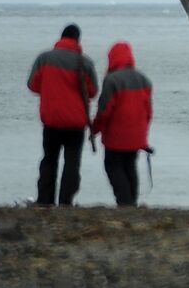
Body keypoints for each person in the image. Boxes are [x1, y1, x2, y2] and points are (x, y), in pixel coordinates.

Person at [27, 24, 98, 206]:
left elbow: (33, 85)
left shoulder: (44, 59)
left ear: (61, 37)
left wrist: (51, 89)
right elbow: (92, 91)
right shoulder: (85, 63)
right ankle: (66, 202)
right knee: (72, 164)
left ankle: (45, 200)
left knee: (49, 161)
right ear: (78, 40)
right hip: (76, 123)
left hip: (51, 121)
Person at [91, 41, 153, 207]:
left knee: (113, 167)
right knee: (130, 167)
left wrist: (94, 129)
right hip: (136, 137)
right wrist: (142, 135)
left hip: (115, 137)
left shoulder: (112, 80)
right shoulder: (144, 80)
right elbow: (148, 113)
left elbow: (104, 110)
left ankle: (125, 203)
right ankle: (131, 202)